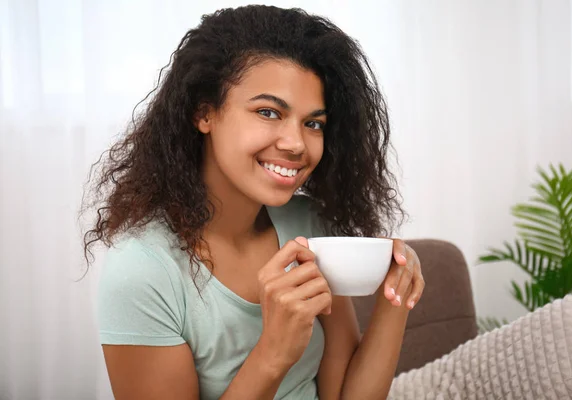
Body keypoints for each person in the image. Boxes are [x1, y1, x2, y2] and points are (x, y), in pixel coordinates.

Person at [83, 5, 425, 399]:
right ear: (204, 112)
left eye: (313, 123)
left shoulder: (308, 224)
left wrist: (396, 300)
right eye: (268, 112)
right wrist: (273, 353)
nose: (296, 143)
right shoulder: (142, 271)